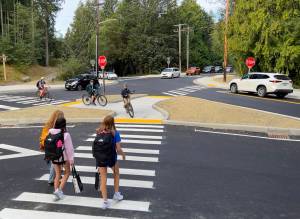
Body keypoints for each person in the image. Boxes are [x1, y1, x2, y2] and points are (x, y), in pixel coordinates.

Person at [94, 115, 126, 209]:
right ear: (113, 123)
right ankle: (116, 193)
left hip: (100, 158)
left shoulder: (99, 131)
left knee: (103, 178)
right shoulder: (115, 133)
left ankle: (105, 201)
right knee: (116, 173)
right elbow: (118, 149)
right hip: (111, 158)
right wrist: (123, 154)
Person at [50, 117, 74, 201]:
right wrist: (71, 160)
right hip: (64, 157)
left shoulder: (51, 132)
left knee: (57, 174)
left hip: (53, 156)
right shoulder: (66, 135)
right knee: (67, 173)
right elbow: (69, 149)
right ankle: (59, 191)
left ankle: (56, 193)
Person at [39, 110, 64, 185]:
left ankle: (56, 176)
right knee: (54, 163)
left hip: (47, 148)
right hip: (53, 148)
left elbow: (42, 138)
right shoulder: (56, 127)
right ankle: (51, 179)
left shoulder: (47, 125)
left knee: (54, 163)